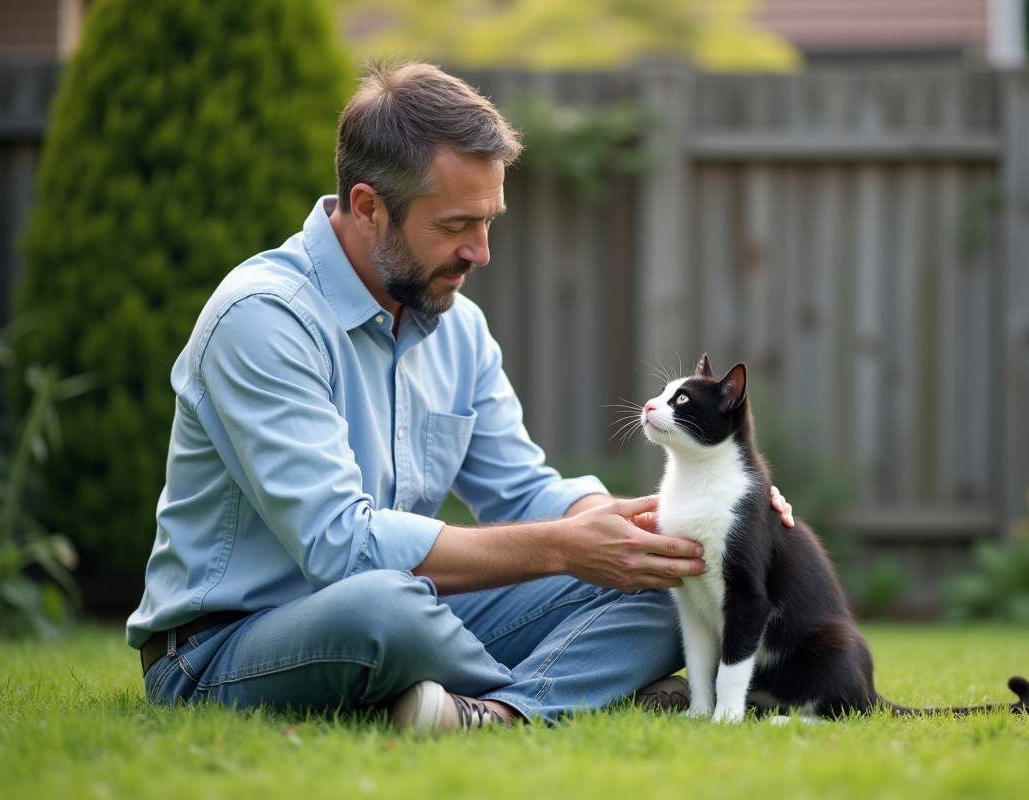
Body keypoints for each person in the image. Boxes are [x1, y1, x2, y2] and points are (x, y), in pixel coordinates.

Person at [126, 60, 794, 733]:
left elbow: (524, 491)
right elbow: (337, 547)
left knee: (666, 583)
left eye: (490, 221)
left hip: (418, 607)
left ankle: (492, 712)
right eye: (455, 226)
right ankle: (570, 685)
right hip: (226, 647)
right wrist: (563, 548)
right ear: (368, 208)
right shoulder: (264, 319)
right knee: (382, 607)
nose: (481, 252)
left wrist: (668, 524)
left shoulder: (458, 327)